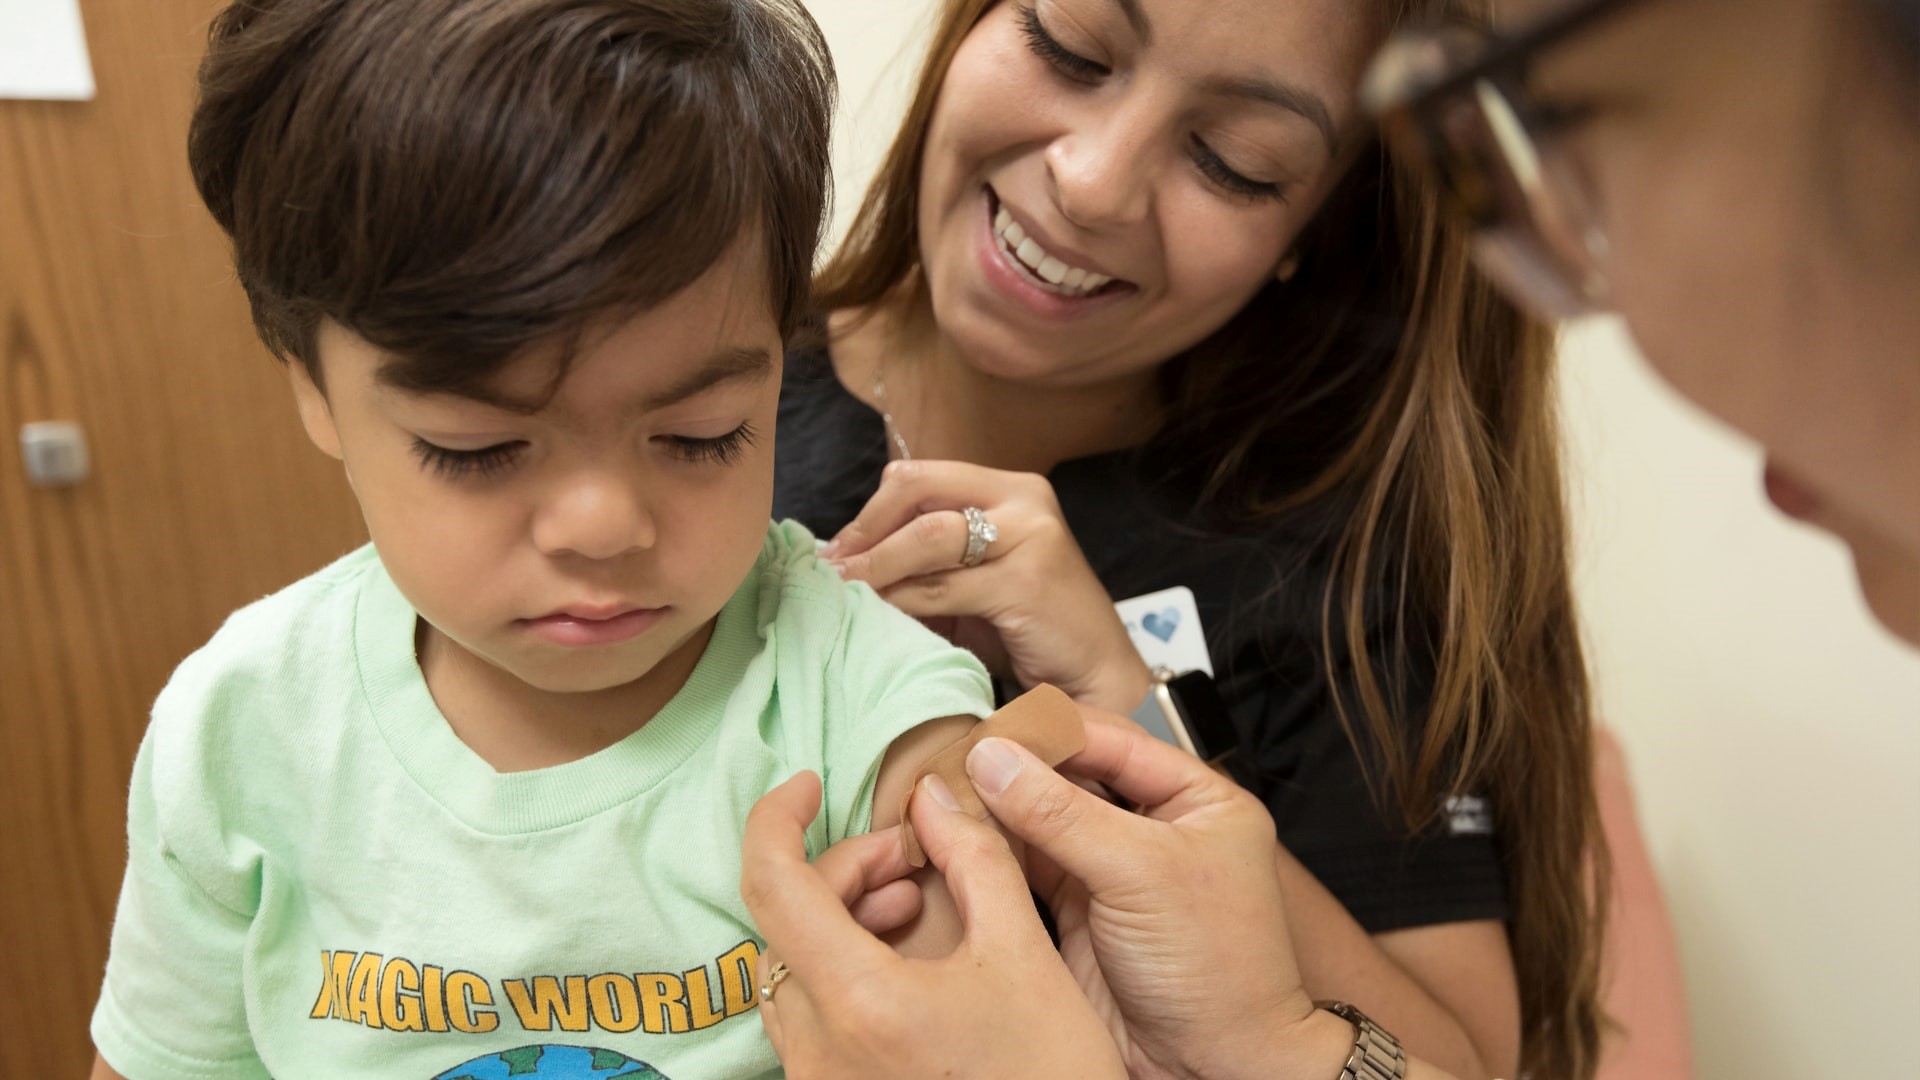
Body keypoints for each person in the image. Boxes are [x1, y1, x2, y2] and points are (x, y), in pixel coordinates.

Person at [741, 0, 1920, 1076]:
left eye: (1234, 163)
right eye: (1070, 46)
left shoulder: (1341, 570)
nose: (1092, 182)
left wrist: (1128, 701)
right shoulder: (695, 390)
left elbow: (1454, 1058)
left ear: (1318, 224)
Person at [86, 2, 1000, 1077]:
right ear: (314, 391)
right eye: (479, 450)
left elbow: (972, 953)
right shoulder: (241, 730)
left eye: (702, 437)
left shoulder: (853, 695)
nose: (605, 526)